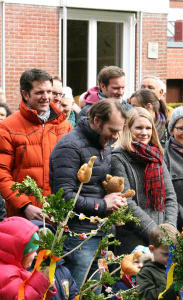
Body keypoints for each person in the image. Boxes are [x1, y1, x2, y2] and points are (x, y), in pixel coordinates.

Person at [50, 99, 127, 287]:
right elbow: (64, 197)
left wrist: (115, 199)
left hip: (100, 233)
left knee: (95, 291)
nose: (116, 136)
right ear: (97, 120)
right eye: (112, 130)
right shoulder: (69, 147)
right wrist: (104, 204)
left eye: (119, 131)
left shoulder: (104, 143)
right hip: (77, 238)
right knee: (76, 291)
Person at [0, 68, 72, 219]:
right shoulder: (7, 128)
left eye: (49, 91)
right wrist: (24, 205)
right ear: (25, 94)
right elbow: (2, 174)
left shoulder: (65, 126)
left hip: (59, 215)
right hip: (23, 217)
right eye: (40, 92)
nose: (46, 97)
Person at [111, 107, 178, 254]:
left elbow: (170, 197)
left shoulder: (156, 156)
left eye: (148, 128)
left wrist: (169, 230)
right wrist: (155, 233)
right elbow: (126, 202)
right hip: (133, 237)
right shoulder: (118, 158)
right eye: (139, 128)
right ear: (127, 129)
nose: (144, 132)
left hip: (163, 237)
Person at [0, 216, 57, 300]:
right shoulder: (5, 274)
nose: (35, 256)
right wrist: (42, 278)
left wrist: (48, 286)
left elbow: (34, 293)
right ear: (21, 252)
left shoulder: (16, 268)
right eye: (33, 252)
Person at [136, 223, 179, 300]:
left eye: (174, 254)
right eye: (166, 254)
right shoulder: (146, 272)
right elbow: (146, 296)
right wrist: (172, 289)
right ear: (152, 249)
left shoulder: (177, 270)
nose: (171, 258)